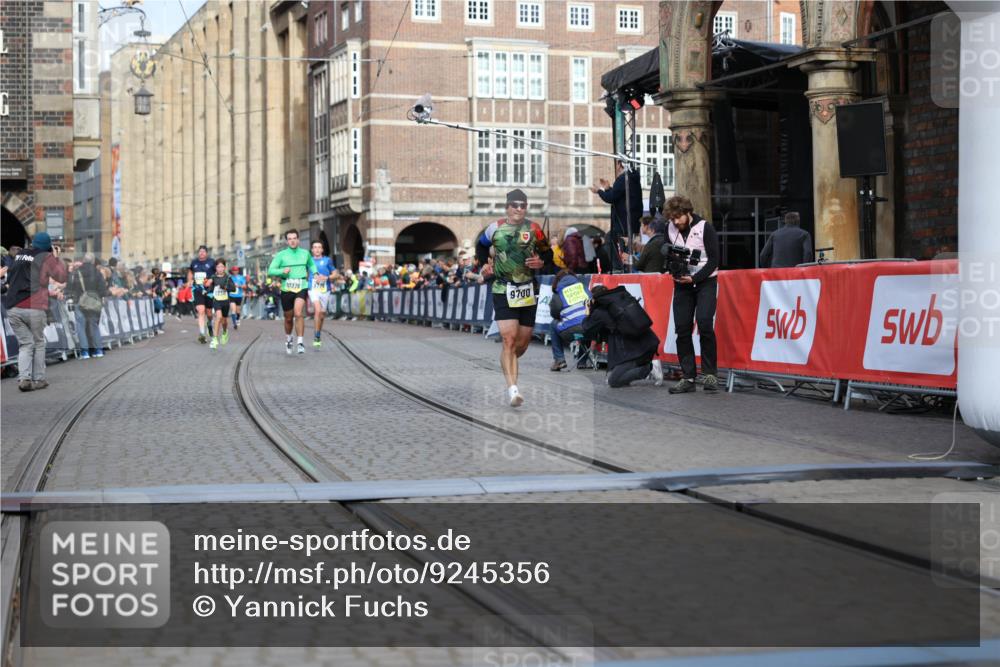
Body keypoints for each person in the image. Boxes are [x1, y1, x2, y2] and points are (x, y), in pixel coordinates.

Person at [477, 188, 548, 407]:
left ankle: (507, 362)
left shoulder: (534, 228)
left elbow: (547, 252)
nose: (519, 209)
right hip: (502, 288)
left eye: (523, 205)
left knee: (522, 344)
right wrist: (484, 265)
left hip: (527, 290)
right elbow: (481, 246)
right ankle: (513, 390)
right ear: (507, 207)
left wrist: (541, 262)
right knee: (508, 339)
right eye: (515, 205)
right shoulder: (495, 228)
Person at [661, 195, 720, 393]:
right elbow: (668, 254)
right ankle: (688, 377)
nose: (675, 222)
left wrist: (695, 279)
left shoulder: (705, 228)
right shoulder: (670, 228)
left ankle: (710, 374)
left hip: (706, 281)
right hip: (682, 284)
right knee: (682, 329)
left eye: (678, 217)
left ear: (688, 212)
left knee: (704, 323)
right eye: (672, 219)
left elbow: (714, 260)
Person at [3, 232, 68, 391]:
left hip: (12, 308)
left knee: (25, 344)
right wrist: (56, 257)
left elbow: (10, 278)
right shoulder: (46, 258)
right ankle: (39, 379)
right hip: (33, 306)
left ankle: (24, 379)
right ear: (48, 246)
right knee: (38, 342)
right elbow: (61, 277)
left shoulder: (20, 255)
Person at [582, 285, 662, 388]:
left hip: (633, 353)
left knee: (613, 381)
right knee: (618, 375)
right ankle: (642, 368)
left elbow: (586, 328)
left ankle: (648, 369)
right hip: (646, 344)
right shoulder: (617, 304)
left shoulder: (600, 312)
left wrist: (588, 310)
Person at [267, 229, 317, 355]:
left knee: (298, 313)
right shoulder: (281, 255)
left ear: (298, 239)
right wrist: (281, 271)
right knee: (288, 318)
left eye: (294, 238)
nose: (292, 241)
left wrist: (315, 273)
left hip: (301, 286)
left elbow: (311, 264)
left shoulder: (305, 253)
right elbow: (270, 271)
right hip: (286, 288)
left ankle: (300, 342)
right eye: (289, 239)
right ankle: (289, 338)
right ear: (287, 241)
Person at [591, 160, 642, 271]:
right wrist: (608, 189)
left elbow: (611, 198)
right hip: (629, 221)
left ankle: (620, 268)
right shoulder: (632, 179)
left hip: (623, 222)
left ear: (619, 165)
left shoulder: (623, 179)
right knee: (615, 240)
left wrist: (599, 191)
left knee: (617, 243)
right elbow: (617, 196)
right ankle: (622, 267)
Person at [65, 252, 109, 359]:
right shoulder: (97, 272)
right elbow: (103, 290)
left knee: (81, 326)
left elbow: (69, 288)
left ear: (83, 260)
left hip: (79, 302)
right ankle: (98, 350)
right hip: (94, 303)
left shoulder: (76, 272)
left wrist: (70, 298)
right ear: (93, 261)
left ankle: (85, 352)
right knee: (94, 325)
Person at [548, 270, 591, 371]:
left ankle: (559, 360)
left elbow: (554, 314)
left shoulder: (558, 293)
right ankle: (582, 362)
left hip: (570, 332)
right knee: (586, 322)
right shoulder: (584, 288)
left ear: (558, 280)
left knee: (553, 324)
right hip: (589, 332)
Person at [307, 240, 335, 348]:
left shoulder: (327, 260)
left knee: (322, 314)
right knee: (317, 311)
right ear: (312, 250)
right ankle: (317, 335)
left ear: (322, 249)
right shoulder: (308, 261)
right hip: (313, 289)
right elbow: (304, 274)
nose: (317, 249)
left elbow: (335, 273)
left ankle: (318, 331)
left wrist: (326, 277)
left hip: (325, 289)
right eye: (315, 247)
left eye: (319, 247)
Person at [187, 245, 215, 343]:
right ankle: (202, 334)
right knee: (201, 310)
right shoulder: (194, 262)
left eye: (203, 251)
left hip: (209, 290)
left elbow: (217, 274)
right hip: (197, 289)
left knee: (209, 312)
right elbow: (190, 271)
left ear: (206, 253)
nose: (201, 253)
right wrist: (190, 280)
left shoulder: (212, 262)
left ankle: (210, 323)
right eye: (200, 251)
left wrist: (211, 280)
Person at [206, 259, 237, 350]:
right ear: (216, 268)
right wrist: (206, 288)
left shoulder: (228, 277)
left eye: (222, 267)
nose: (220, 268)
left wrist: (225, 287)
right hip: (217, 301)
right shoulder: (213, 277)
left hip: (225, 301)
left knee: (224, 321)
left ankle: (224, 332)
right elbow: (210, 287)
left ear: (224, 268)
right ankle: (215, 339)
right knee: (218, 317)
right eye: (218, 267)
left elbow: (233, 289)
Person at [228, 265, 247, 330]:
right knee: (233, 310)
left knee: (238, 311)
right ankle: (234, 324)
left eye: (236, 270)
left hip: (239, 296)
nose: (235, 272)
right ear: (232, 271)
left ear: (238, 271)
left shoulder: (241, 278)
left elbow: (245, 286)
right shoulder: (229, 278)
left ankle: (238, 319)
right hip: (231, 295)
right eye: (234, 270)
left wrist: (238, 286)